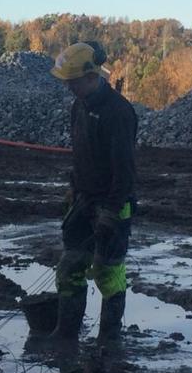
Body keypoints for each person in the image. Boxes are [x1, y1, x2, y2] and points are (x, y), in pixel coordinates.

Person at [49, 41, 138, 344]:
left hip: (112, 203)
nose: (69, 87)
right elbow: (81, 155)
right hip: (83, 200)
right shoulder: (79, 106)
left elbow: (124, 171)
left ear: (91, 76)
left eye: (73, 81)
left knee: (108, 274)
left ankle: (109, 343)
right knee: (68, 268)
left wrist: (111, 212)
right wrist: (74, 190)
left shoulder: (119, 112)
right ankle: (66, 334)